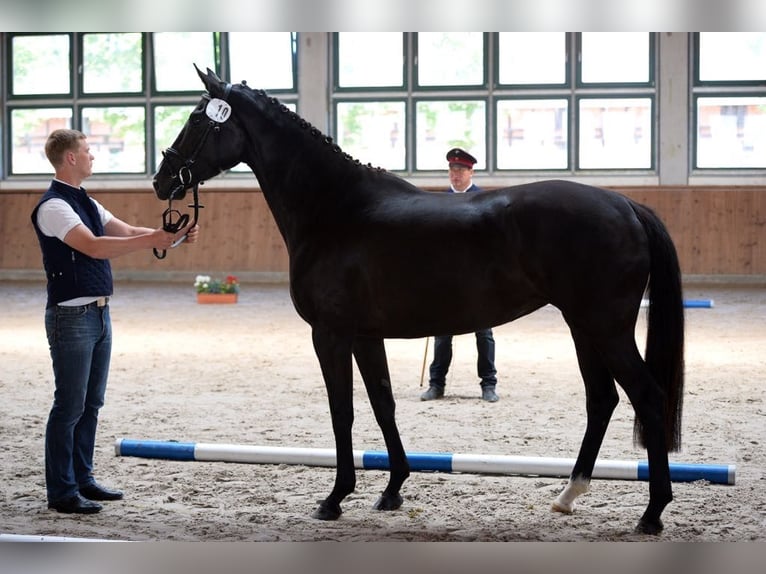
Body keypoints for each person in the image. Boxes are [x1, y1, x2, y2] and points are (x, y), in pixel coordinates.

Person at [31, 128, 200, 514]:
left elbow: (127, 232)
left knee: (91, 403)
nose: (93, 157)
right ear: (70, 158)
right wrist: (152, 240)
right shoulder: (54, 206)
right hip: (72, 315)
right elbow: (93, 245)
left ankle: (83, 479)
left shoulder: (85, 200)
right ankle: (61, 491)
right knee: (69, 405)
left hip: (98, 313)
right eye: (88, 151)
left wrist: (171, 237)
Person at [420, 147, 499, 403]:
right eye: (452, 171)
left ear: (470, 171)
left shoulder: (485, 201)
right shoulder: (439, 202)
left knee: (484, 333)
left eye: (460, 170)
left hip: (477, 280)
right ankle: (437, 384)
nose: (455, 175)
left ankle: (488, 384)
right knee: (442, 334)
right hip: (447, 281)